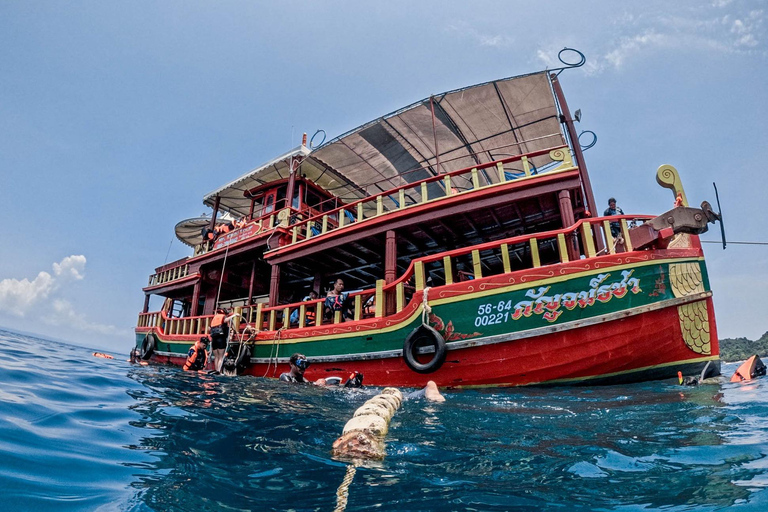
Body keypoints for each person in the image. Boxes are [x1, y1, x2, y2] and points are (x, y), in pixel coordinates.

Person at [209, 308, 234, 373]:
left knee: (216, 356)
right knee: (221, 356)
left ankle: (216, 369)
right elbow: (225, 320)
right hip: (221, 338)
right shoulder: (223, 317)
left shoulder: (214, 318)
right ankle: (219, 370)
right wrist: (234, 315)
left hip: (214, 338)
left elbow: (209, 328)